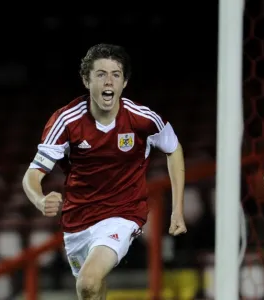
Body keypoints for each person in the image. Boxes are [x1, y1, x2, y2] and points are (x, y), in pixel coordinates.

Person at [22, 43, 187, 300]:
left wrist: (177, 209)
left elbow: (174, 149)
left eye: (116, 74)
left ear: (124, 82)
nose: (108, 81)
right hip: (77, 219)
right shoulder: (66, 121)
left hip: (123, 213)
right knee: (92, 289)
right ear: (86, 80)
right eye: (100, 74)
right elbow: (32, 175)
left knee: (87, 283)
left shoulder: (142, 119)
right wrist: (40, 199)